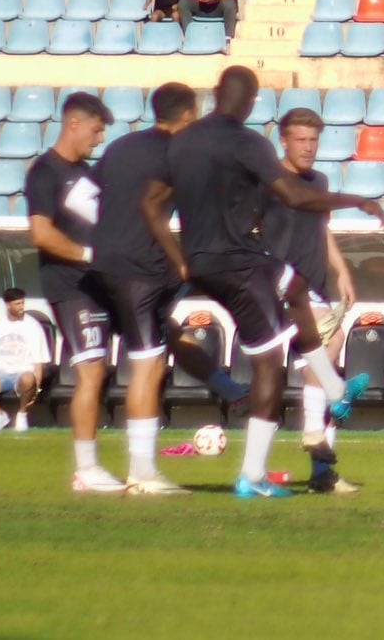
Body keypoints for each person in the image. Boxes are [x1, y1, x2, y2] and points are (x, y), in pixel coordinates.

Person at [142, 66, 384, 499]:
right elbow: (294, 195)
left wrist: (181, 260)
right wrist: (357, 200)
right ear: (252, 102)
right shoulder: (246, 142)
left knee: (295, 287)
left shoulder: (184, 142)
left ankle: (332, 386)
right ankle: (252, 477)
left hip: (205, 263)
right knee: (270, 366)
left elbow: (151, 203)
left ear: (216, 94)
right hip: (239, 264)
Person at [91, 82, 250, 495]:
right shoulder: (179, 153)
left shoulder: (120, 148)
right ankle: (143, 471)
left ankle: (231, 390)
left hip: (105, 264)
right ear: (187, 116)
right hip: (142, 266)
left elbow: (88, 197)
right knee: (149, 364)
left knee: (167, 336)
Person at [258, 108, 362, 495]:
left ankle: (322, 471)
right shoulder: (269, 182)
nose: (308, 147)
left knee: (325, 364)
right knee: (318, 362)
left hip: (314, 290)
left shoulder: (319, 180)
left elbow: (322, 229)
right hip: (276, 291)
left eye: (313, 140)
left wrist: (342, 271)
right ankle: (309, 437)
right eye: (300, 139)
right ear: (283, 141)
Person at [24, 92, 120, 489]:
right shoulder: (44, 172)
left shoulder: (87, 173)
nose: (99, 140)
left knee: (101, 371)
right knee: (92, 371)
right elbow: (42, 233)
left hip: (98, 285)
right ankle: (86, 469)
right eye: (97, 131)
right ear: (74, 124)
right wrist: (88, 254)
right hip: (70, 285)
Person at [0, 288, 50, 431]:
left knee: (28, 378)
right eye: (18, 304)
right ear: (8, 305)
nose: (21, 307)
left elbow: (38, 363)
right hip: (0, 373)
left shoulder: (33, 326)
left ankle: (22, 415)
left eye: (23, 303)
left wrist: (37, 389)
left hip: (23, 373)